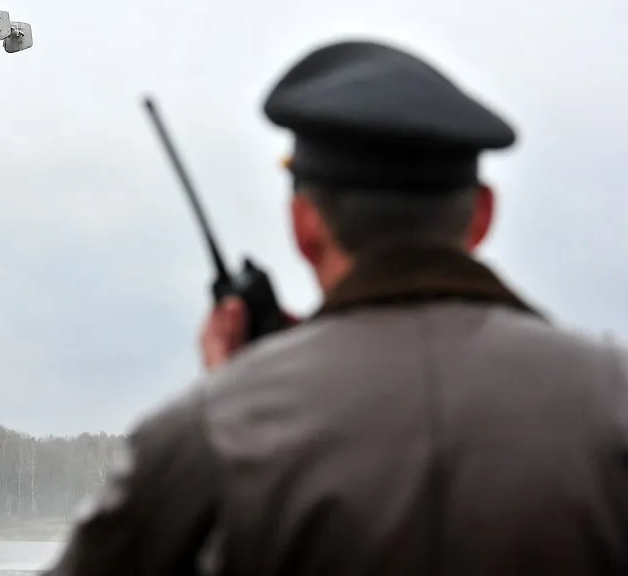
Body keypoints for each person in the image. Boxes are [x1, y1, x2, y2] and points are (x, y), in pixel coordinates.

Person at [41, 39, 628, 575]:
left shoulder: (211, 429)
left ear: (304, 227)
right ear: (481, 216)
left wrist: (235, 398)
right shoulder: (612, 401)